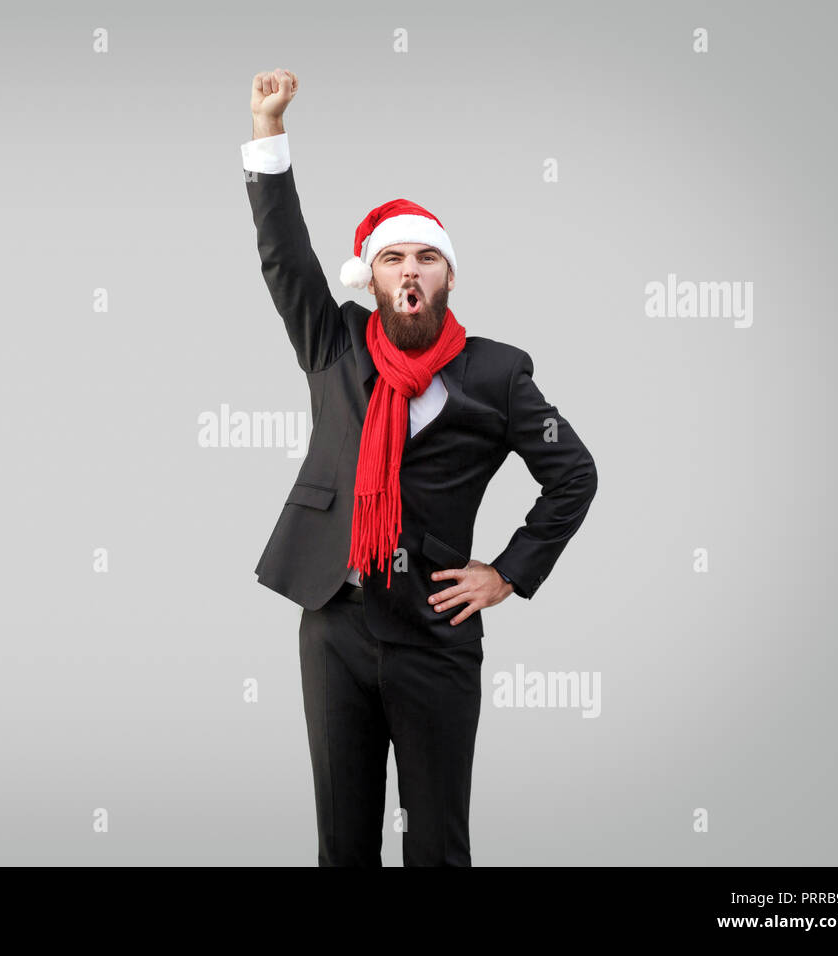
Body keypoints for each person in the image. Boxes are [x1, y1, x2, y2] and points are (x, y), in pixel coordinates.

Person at [242, 68, 599, 866]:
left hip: (434, 632)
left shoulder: (496, 374)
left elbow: (574, 474)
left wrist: (505, 573)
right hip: (333, 619)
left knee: (436, 845)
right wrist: (268, 128)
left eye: (426, 259)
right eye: (394, 258)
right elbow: (283, 256)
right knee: (344, 846)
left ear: (447, 277)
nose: (410, 271)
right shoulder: (334, 344)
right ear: (370, 278)